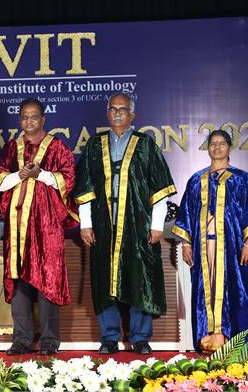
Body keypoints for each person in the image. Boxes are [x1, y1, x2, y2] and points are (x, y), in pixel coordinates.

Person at [73, 93, 176, 355]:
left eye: (123, 109)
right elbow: (85, 187)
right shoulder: (94, 145)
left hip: (138, 224)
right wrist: (86, 223)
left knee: (139, 278)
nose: (118, 113)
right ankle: (109, 337)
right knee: (104, 278)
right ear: (107, 113)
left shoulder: (146, 144)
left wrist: (156, 224)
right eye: (113, 109)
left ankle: (140, 338)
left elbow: (159, 187)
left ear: (132, 114)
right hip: (103, 225)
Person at [173, 130, 248, 353]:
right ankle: (210, 339)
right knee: (207, 290)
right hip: (204, 248)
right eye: (212, 143)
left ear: (229, 148)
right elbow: (186, 214)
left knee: (238, 292)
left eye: (221, 143)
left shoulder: (244, 180)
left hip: (234, 248)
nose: (217, 147)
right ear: (208, 148)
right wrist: (186, 244)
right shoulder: (196, 180)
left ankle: (239, 342)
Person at [0, 98, 78, 356]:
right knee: (19, 282)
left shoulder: (57, 147)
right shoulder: (11, 148)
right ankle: (22, 339)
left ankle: (50, 340)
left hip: (46, 226)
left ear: (43, 119)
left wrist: (39, 174)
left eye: (34, 116)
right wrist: (19, 175)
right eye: (24, 117)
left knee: (47, 279)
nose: (29, 121)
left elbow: (68, 179)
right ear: (20, 120)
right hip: (17, 226)